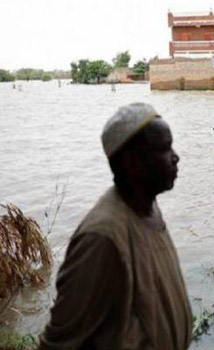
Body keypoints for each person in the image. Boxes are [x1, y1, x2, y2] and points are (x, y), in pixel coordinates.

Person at [39, 103, 193, 350]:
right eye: (164, 149)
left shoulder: (148, 208)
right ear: (134, 163)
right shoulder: (102, 238)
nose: (176, 156)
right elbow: (59, 343)